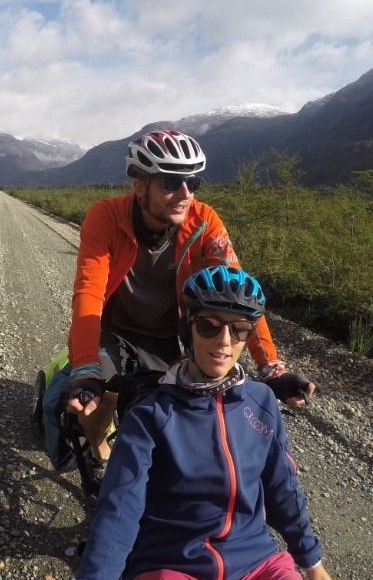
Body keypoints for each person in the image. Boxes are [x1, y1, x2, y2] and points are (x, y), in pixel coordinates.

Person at [67, 266, 335, 580]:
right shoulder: (151, 415)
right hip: (171, 571)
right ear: (187, 328)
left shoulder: (261, 401)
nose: (224, 340)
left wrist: (310, 557)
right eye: (209, 325)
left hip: (257, 566)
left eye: (239, 328)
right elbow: (118, 513)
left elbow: (282, 487)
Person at [65, 129, 313, 484]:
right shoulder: (105, 216)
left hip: (166, 336)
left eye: (193, 182)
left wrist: (271, 368)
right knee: (99, 401)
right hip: (113, 330)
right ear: (140, 187)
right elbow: (88, 292)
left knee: (183, 407)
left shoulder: (204, 221)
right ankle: (99, 451)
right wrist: (86, 369)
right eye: (170, 183)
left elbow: (239, 294)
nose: (185, 194)